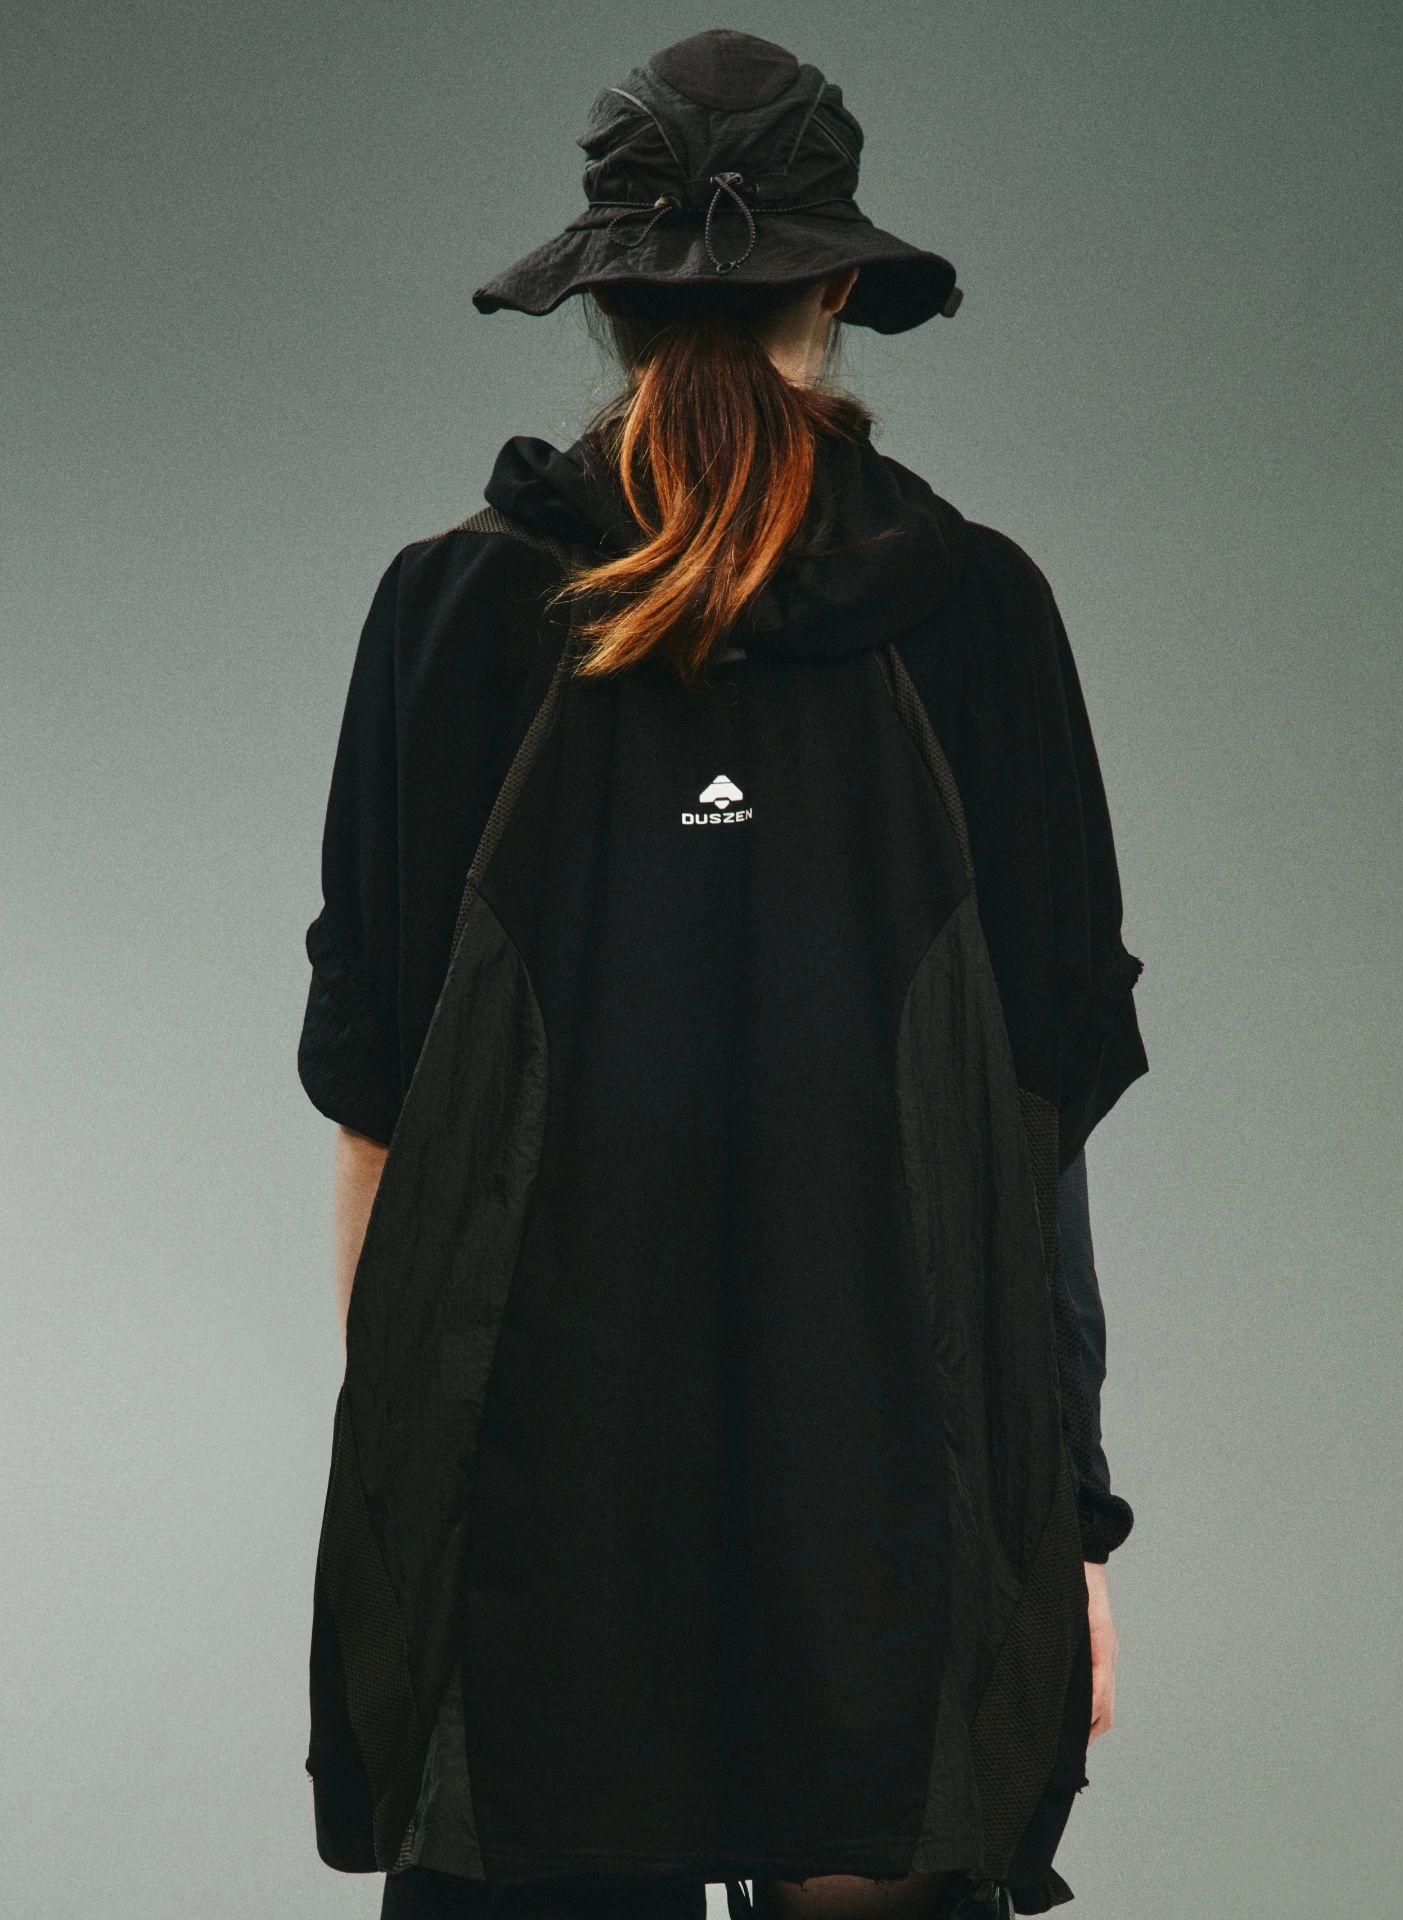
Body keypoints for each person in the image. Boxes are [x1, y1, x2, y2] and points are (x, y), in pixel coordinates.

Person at [296, 29, 1149, 1920]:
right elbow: (1041, 1126)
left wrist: (405, 1504)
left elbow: (374, 1115)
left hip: (534, 1531)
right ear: (835, 291)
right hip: (899, 1520)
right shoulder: (985, 613)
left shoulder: (448, 612)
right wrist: (1066, 1527)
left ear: (603, 300)